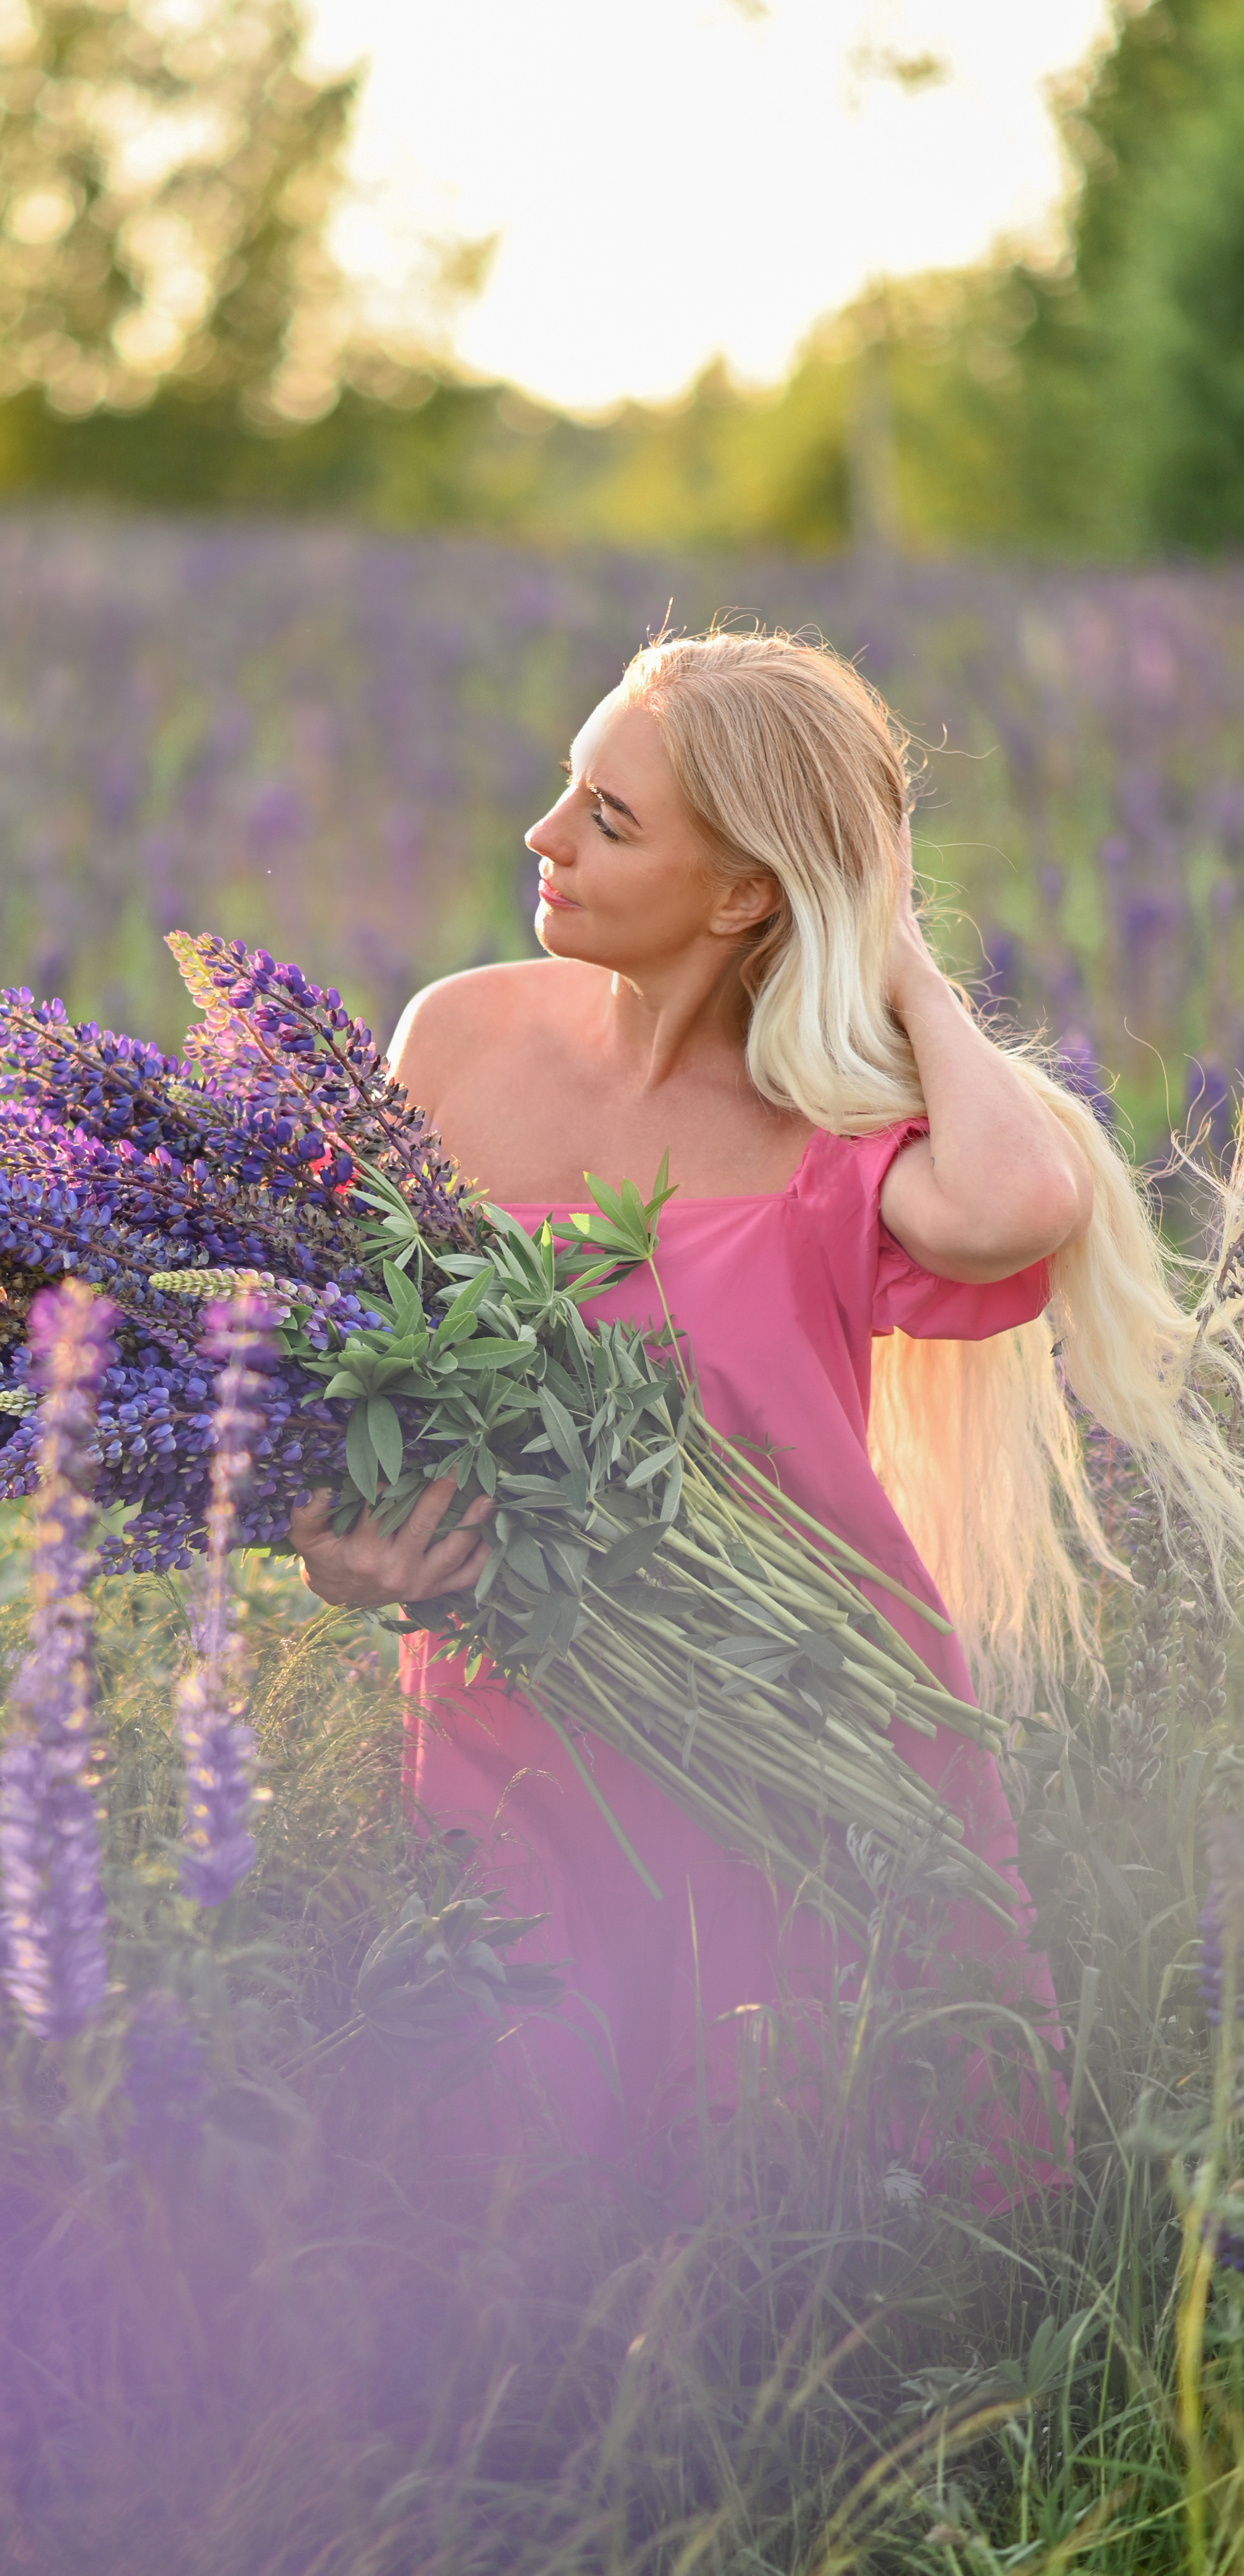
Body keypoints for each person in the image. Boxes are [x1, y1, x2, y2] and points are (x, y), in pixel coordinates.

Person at [288, 627, 1243, 2194]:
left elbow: (1015, 1202)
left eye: (608, 819)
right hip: (510, 1698)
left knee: (834, 2201)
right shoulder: (447, 1042)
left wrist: (889, 945)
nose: (542, 834)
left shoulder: (831, 1123)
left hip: (801, 1712)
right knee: (520, 2190)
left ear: (742, 893)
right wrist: (336, 1547)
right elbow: (339, 1372)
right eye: (567, 788)